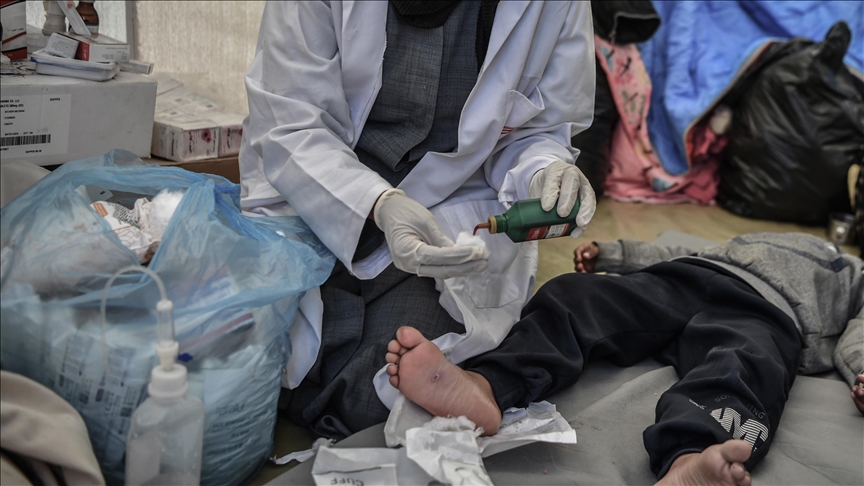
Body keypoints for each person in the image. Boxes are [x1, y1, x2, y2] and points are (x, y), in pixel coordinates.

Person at [239, 1, 597, 438]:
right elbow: (289, 122)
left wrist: (543, 169)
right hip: (314, 196)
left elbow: (537, 129)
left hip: (447, 214)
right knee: (251, 358)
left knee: (380, 398)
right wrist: (377, 202)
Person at [386, 232, 864, 485]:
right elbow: (679, 248)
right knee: (581, 296)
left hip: (766, 312)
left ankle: (692, 459)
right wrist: (615, 254)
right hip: (690, 275)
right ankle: (489, 384)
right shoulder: (754, 239)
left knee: (742, 363)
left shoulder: (855, 272)